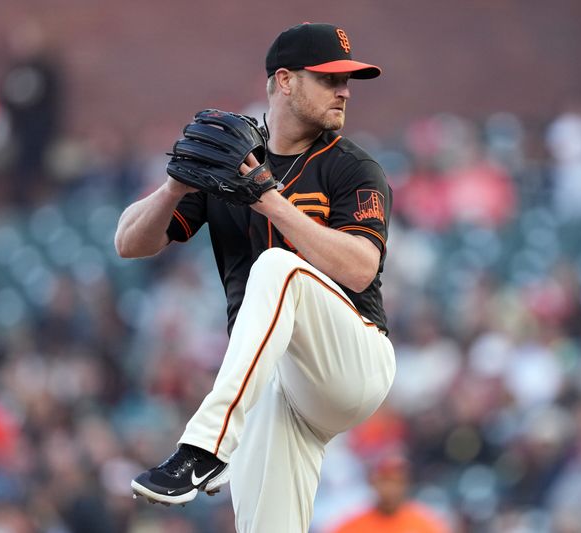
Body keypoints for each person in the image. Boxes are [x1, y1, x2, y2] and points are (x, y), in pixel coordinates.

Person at [114, 22, 396, 533]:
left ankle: (204, 448)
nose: (345, 91)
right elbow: (128, 242)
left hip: (350, 358)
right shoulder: (235, 158)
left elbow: (360, 268)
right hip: (274, 386)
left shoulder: (351, 166)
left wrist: (268, 197)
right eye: (329, 78)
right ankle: (220, 443)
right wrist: (176, 186)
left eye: (348, 81)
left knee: (278, 266)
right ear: (285, 81)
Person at [328, 454, 450, 533]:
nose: (390, 488)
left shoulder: (426, 523)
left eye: (397, 482)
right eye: (385, 481)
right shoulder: (351, 526)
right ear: (373, 483)